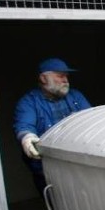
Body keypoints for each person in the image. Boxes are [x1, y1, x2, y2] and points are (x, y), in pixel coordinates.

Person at [13, 58, 92, 197]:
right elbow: (25, 125)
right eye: (60, 76)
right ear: (43, 78)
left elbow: (92, 120)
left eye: (66, 76)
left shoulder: (76, 96)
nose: (65, 80)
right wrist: (27, 137)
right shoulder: (29, 102)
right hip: (48, 170)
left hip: (79, 165)